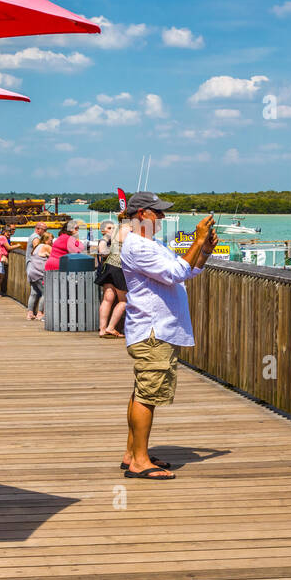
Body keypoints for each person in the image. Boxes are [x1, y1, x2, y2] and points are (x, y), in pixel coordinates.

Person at [119, 192, 216, 480]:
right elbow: (175, 273)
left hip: (157, 328)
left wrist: (205, 250)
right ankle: (139, 461)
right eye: (156, 212)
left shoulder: (151, 244)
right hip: (153, 330)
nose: (161, 217)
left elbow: (186, 271)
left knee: (142, 391)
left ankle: (133, 453)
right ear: (141, 215)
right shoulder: (138, 247)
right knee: (148, 394)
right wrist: (196, 240)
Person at [95, 219, 127, 338]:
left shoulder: (113, 235)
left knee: (107, 299)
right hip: (119, 268)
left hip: (109, 266)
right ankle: (111, 327)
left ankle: (102, 329)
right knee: (123, 301)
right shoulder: (126, 232)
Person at [26, 231, 52, 321]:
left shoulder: (37, 246)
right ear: (46, 240)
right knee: (46, 293)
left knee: (34, 293)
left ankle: (30, 313)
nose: (52, 242)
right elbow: (56, 256)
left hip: (31, 272)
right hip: (39, 273)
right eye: (51, 240)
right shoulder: (46, 246)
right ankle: (40, 313)